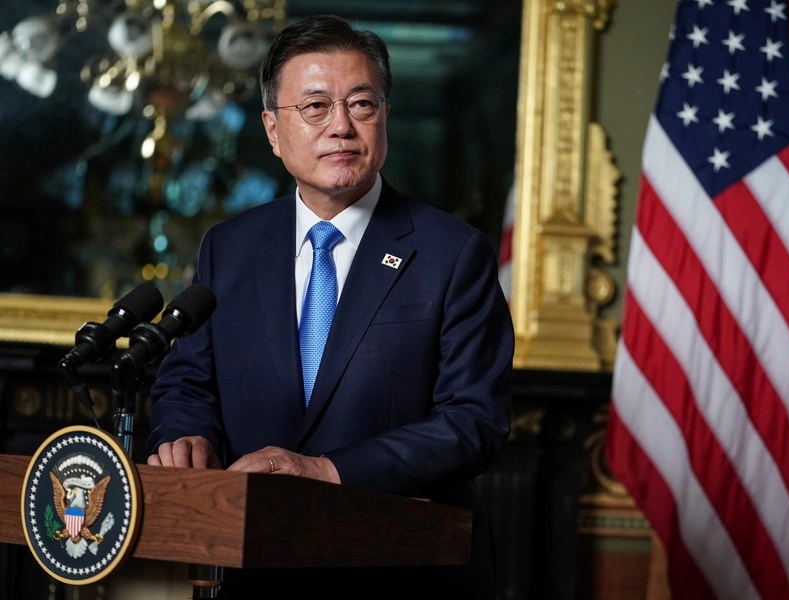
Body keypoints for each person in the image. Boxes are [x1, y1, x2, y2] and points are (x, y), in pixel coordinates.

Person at [146, 13, 514, 599]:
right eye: (315, 107)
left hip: (402, 570)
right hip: (251, 567)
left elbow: (474, 421)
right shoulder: (231, 247)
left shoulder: (454, 254)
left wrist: (325, 471)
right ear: (272, 129)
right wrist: (185, 435)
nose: (340, 126)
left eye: (361, 105)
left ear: (385, 117)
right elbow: (188, 382)